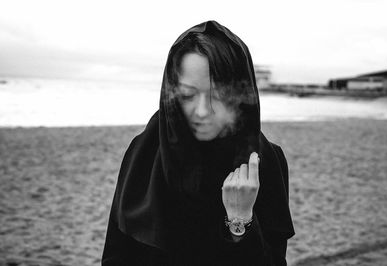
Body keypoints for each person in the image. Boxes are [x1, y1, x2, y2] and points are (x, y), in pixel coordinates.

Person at [102, 20, 295, 265]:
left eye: (218, 95)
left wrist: (240, 219)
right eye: (188, 95)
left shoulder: (265, 161)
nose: (202, 111)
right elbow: (115, 257)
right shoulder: (144, 152)